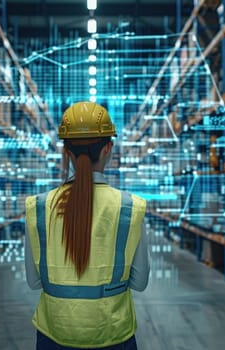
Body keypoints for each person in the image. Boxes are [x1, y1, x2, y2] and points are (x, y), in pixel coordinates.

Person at [25, 101, 150, 349]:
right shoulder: (130, 207)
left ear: (66, 151)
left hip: (54, 336)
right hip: (113, 335)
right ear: (108, 148)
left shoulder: (39, 207)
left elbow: (33, 281)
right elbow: (140, 282)